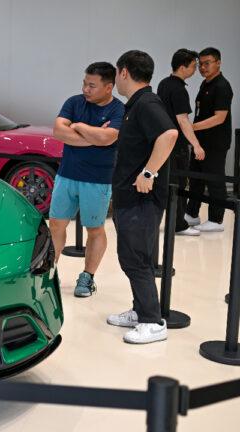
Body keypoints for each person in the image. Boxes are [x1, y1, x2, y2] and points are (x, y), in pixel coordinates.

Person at [107, 50, 178, 344]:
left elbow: (169, 135)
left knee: (134, 258)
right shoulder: (137, 104)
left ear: (124, 72)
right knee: (136, 257)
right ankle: (141, 311)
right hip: (130, 196)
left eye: (116, 74)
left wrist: (148, 173)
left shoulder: (147, 103)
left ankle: (152, 322)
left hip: (141, 199)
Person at [51, 62, 124, 297]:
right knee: (56, 225)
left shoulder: (118, 110)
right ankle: (49, 274)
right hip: (66, 175)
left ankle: (87, 277)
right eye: (84, 83)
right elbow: (58, 131)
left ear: (109, 87)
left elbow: (108, 138)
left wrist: (79, 126)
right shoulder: (74, 102)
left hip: (97, 179)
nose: (85, 89)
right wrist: (95, 137)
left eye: (92, 85)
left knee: (94, 228)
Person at [185, 47, 233, 232]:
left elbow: (219, 117)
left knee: (215, 181)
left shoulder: (222, 86)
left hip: (215, 143)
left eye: (207, 63)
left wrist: (192, 127)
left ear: (218, 62)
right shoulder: (205, 84)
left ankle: (216, 220)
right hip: (200, 141)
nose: (203, 68)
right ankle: (192, 213)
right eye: (200, 64)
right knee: (196, 179)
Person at [156, 49, 204, 236]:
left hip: (164, 142)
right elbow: (183, 120)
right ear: (182, 67)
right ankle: (179, 225)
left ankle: (174, 221)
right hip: (177, 145)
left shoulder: (163, 84)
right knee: (179, 183)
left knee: (168, 182)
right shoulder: (179, 90)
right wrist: (196, 145)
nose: (195, 70)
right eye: (193, 66)